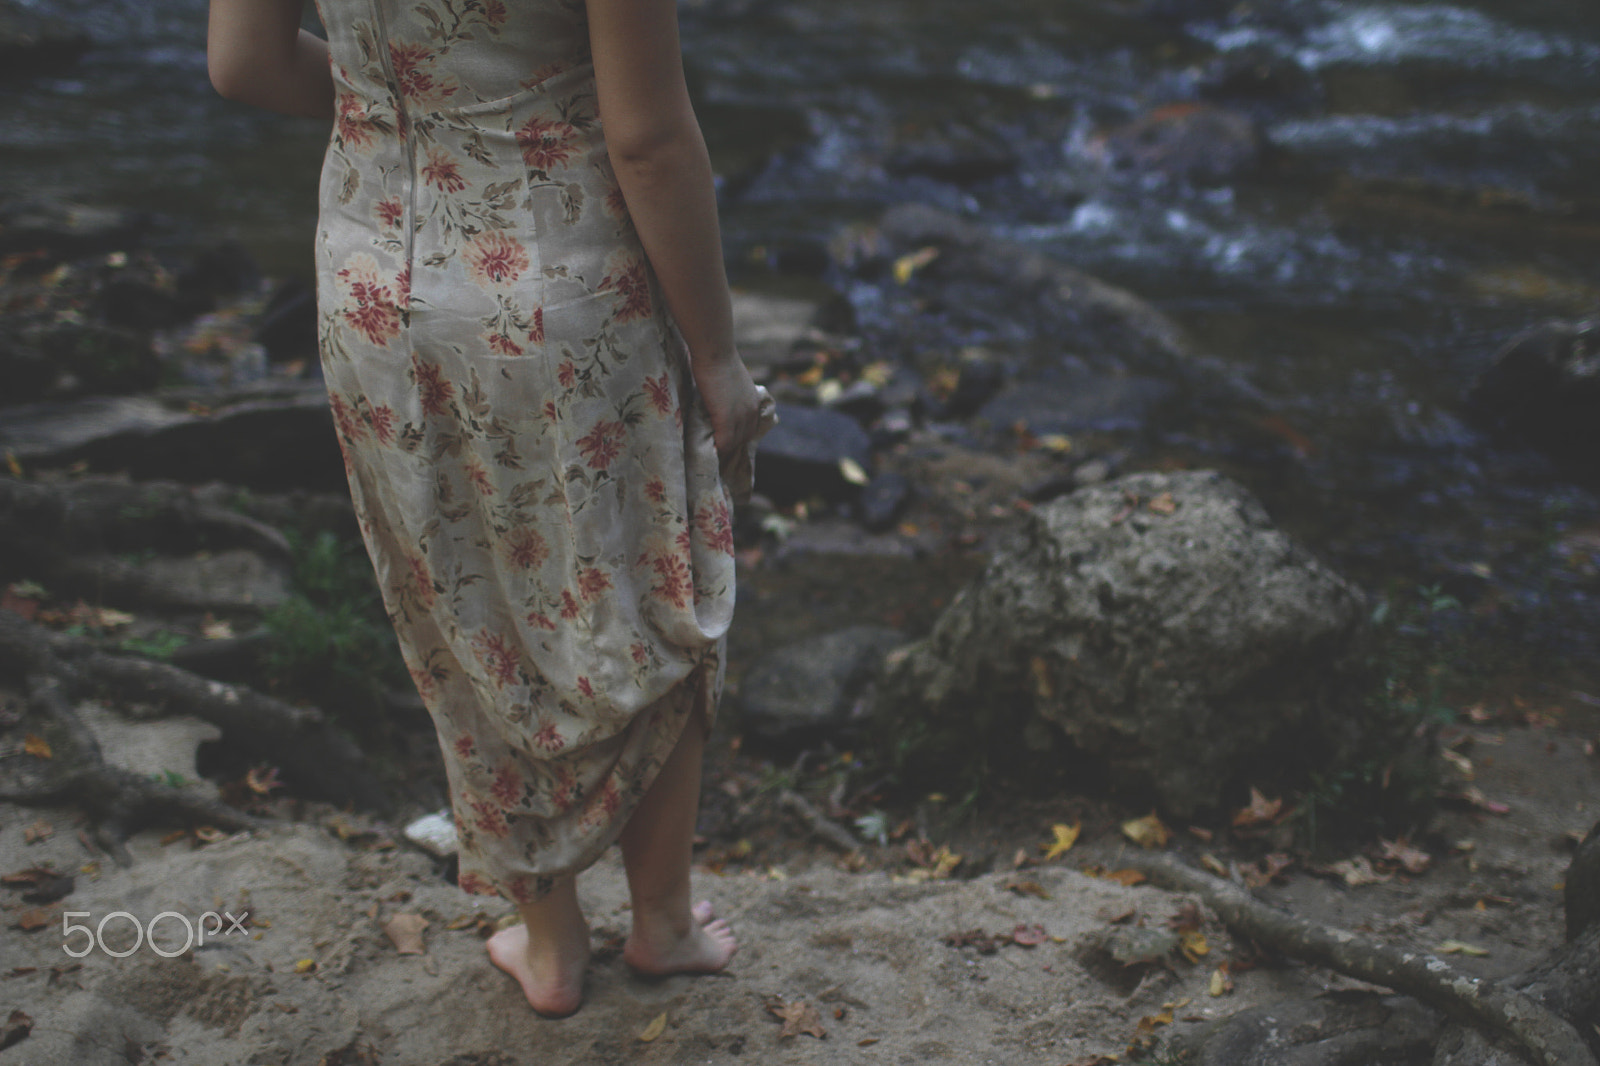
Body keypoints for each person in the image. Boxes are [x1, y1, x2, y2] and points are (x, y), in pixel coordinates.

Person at [207, 0, 767, 1017]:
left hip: (371, 280)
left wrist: (403, 104)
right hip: (562, 281)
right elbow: (646, 140)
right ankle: (663, 920)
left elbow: (241, 65)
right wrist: (720, 357)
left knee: (466, 612)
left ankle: (550, 945)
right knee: (648, 587)